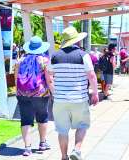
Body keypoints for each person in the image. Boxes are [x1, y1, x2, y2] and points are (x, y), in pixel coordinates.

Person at [50, 26, 99, 160]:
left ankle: (64, 156)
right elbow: (92, 76)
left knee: (62, 130)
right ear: (77, 41)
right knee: (82, 125)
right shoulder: (83, 56)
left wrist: (55, 92)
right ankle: (76, 150)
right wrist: (95, 93)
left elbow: (49, 76)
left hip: (60, 100)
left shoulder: (54, 56)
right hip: (79, 98)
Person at [14, 36, 52, 157]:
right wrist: (54, 93)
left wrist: (19, 91)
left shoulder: (20, 60)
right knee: (42, 117)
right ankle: (42, 143)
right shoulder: (45, 60)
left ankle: (27, 148)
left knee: (25, 120)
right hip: (40, 94)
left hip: (22, 94)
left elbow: (16, 78)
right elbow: (49, 79)